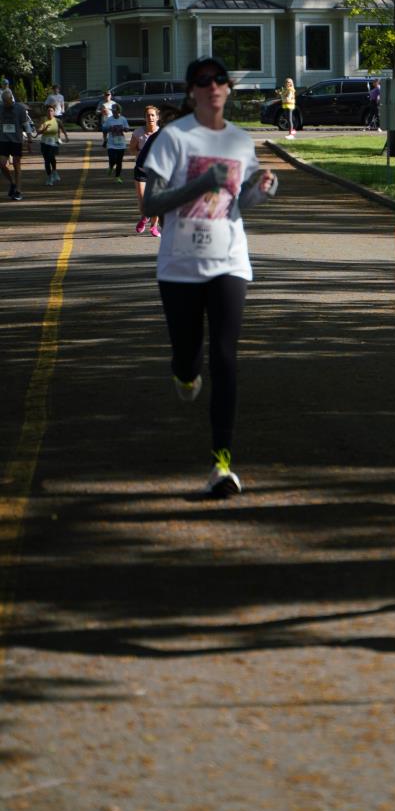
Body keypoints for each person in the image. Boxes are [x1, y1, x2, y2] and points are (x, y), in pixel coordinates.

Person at [141, 56, 278, 497]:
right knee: (188, 357)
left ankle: (222, 463)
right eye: (204, 80)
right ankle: (184, 373)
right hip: (179, 265)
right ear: (192, 91)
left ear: (227, 89)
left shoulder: (239, 140)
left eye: (220, 79)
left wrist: (263, 190)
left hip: (229, 262)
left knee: (225, 358)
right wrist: (202, 184)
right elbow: (150, 204)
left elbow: (241, 204)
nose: (213, 85)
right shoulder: (174, 138)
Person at [130, 105, 164, 236]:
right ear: (144, 117)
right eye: (148, 115)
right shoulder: (138, 132)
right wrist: (141, 154)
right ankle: (145, 216)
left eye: (153, 115)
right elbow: (131, 148)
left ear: (157, 117)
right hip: (141, 170)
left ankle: (154, 227)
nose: (150, 117)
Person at [0, 87, 35, 200]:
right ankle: (12, 183)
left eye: (8, 102)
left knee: (16, 164)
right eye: (4, 102)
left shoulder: (20, 108)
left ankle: (18, 191)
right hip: (4, 140)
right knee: (2, 164)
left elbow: (26, 124)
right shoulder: (1, 108)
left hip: (16, 140)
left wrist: (29, 138)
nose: (6, 104)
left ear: (11, 99)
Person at [36, 107, 66, 185]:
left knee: (52, 158)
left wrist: (66, 136)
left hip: (54, 143)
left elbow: (62, 127)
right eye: (48, 111)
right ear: (46, 112)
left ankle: (54, 172)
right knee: (47, 160)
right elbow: (38, 132)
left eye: (51, 111)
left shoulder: (57, 120)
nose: (50, 112)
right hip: (44, 143)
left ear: (54, 112)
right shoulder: (43, 120)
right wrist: (44, 130)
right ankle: (50, 178)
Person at [102, 102, 131, 180]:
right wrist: (105, 138)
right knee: (112, 159)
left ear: (119, 111)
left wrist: (124, 129)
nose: (114, 113)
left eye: (116, 111)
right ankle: (111, 167)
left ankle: (117, 177)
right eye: (113, 111)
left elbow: (127, 129)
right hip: (111, 144)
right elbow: (104, 129)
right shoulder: (109, 119)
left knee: (119, 162)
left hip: (121, 144)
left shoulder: (123, 119)